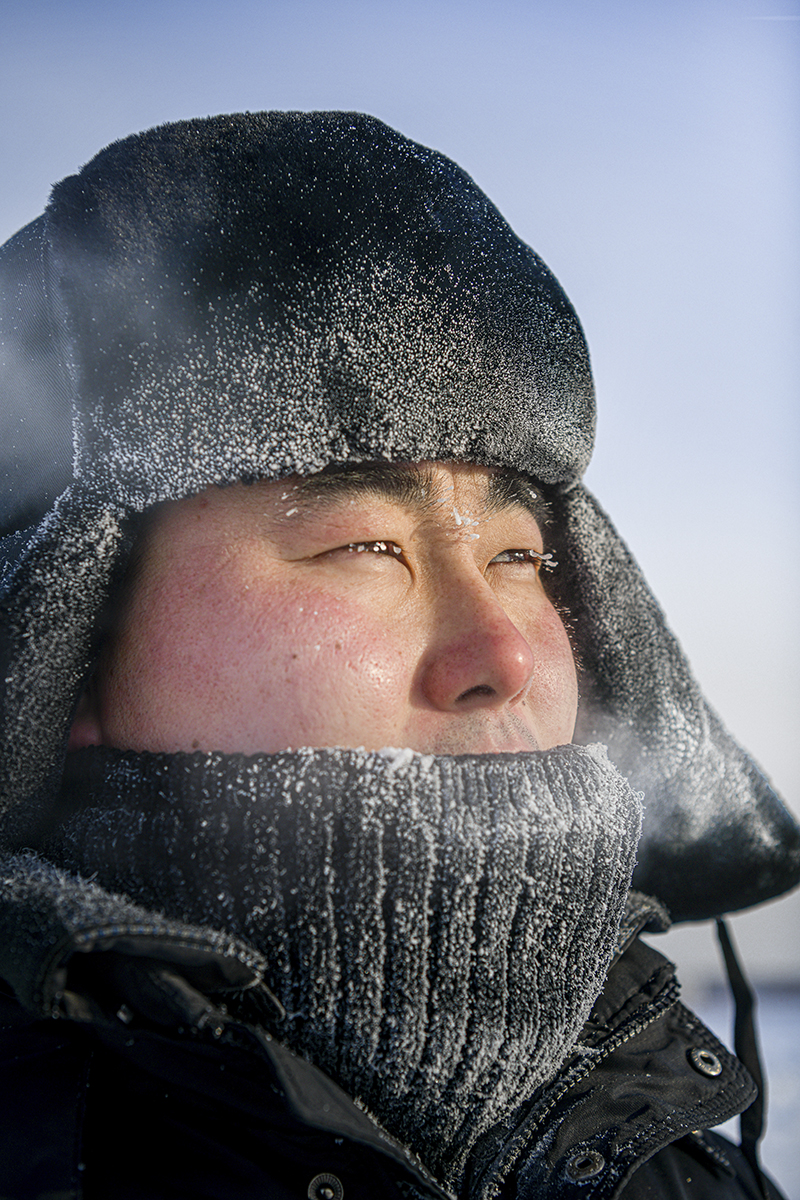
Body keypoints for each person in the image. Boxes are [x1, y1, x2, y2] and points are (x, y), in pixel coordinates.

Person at [1, 111, 798, 1200]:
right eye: (365, 547)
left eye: (519, 557)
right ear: (63, 645)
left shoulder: (684, 1159)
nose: (504, 654)